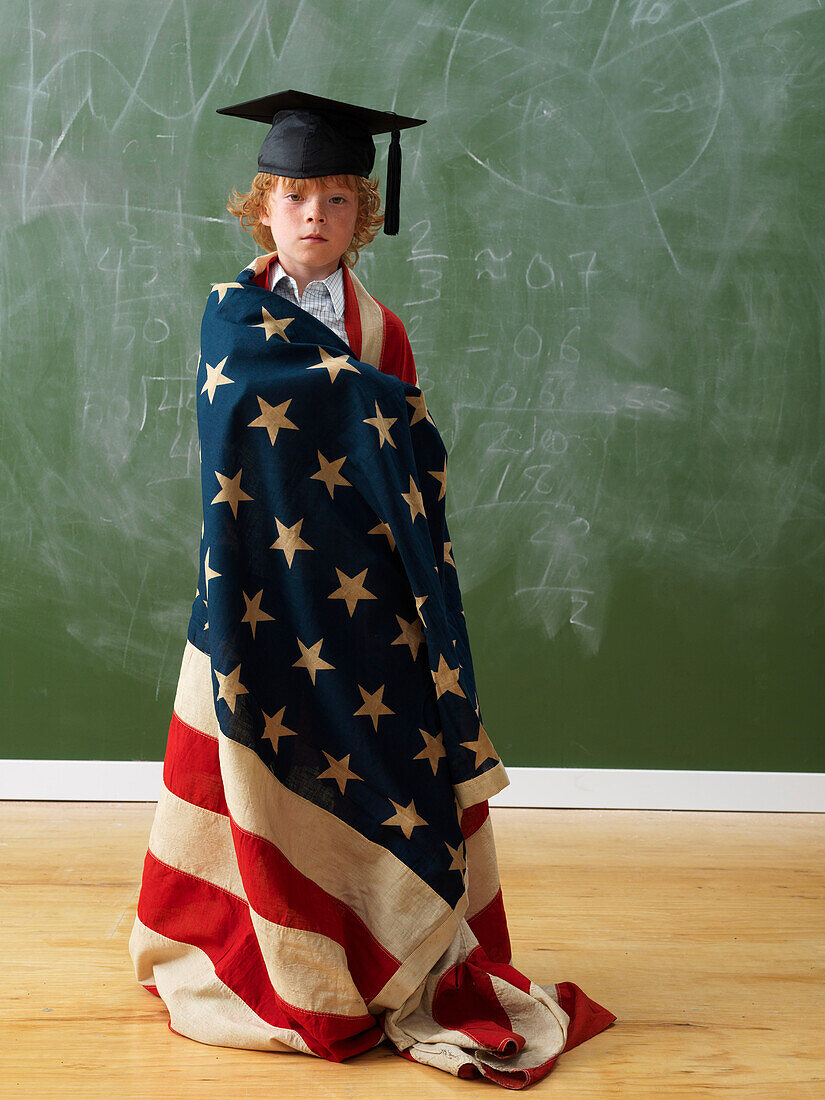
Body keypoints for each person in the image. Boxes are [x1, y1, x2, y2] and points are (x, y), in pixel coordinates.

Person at [128, 90, 616, 1089]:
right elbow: (239, 455)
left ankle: (380, 942)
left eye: (337, 197)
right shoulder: (234, 319)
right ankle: (275, 946)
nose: (313, 214)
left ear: (364, 214)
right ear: (263, 206)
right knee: (256, 772)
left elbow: (408, 462)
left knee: (385, 772)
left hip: (365, 610)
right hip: (261, 598)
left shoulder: (381, 329)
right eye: (294, 194)